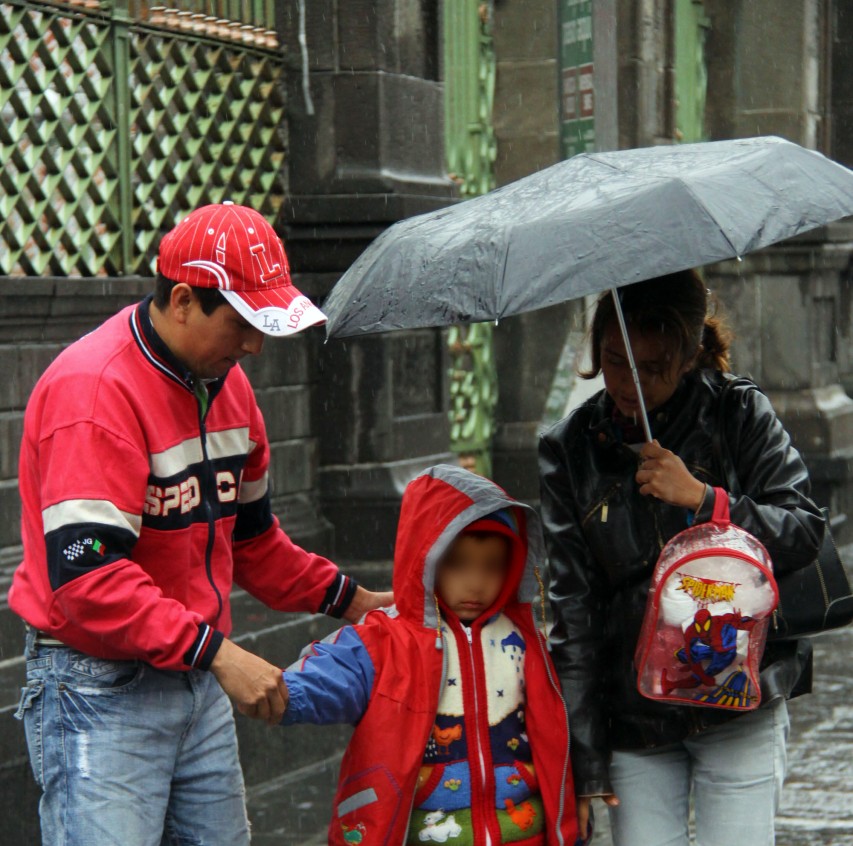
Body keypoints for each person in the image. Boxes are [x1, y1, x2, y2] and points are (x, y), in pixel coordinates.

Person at [9, 202, 392, 846]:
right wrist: (219, 655)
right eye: (242, 322)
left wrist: (357, 602)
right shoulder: (94, 394)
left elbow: (254, 543)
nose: (254, 344)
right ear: (183, 300)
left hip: (195, 678)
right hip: (97, 691)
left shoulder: (229, 388)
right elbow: (88, 579)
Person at [538, 270, 824, 846]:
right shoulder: (570, 449)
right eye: (615, 360)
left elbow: (803, 530)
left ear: (691, 354)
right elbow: (574, 612)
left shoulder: (738, 413)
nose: (627, 383)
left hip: (739, 697)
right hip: (633, 713)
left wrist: (704, 499)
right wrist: (586, 764)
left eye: (652, 367)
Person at [279, 464, 581, 846]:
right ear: (426, 561)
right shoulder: (387, 639)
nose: (476, 581)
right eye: (457, 564)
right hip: (427, 834)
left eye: (492, 565)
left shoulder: (525, 640)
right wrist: (285, 692)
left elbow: (560, 732)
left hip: (522, 833)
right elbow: (334, 670)